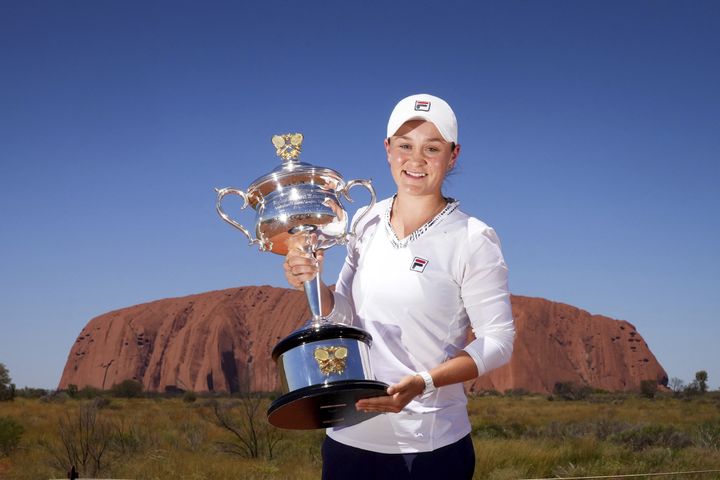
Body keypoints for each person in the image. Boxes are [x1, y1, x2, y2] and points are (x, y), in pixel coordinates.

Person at [284, 93, 515, 479]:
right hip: (348, 439)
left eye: (432, 148)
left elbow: (499, 340)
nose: (416, 160)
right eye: (405, 146)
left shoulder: (473, 237)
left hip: (428, 447)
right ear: (388, 149)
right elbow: (343, 314)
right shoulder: (365, 220)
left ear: (453, 155)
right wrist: (312, 281)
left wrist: (423, 383)